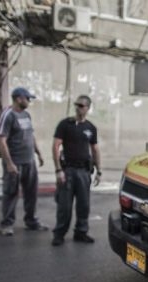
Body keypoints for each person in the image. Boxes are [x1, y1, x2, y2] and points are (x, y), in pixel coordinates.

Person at [0, 87, 48, 236]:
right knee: (11, 193)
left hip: (29, 161)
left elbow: (31, 136)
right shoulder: (8, 115)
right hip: (15, 162)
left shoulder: (26, 115)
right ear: (19, 99)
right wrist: (9, 163)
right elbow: (1, 140)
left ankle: (31, 221)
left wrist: (38, 153)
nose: (29, 101)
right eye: (27, 98)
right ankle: (6, 224)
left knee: (31, 193)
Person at [51, 95, 101, 246]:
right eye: (76, 105)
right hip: (68, 171)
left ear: (87, 108)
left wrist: (99, 171)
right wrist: (58, 170)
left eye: (81, 105)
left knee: (84, 205)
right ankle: (59, 234)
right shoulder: (65, 124)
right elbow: (55, 146)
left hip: (84, 172)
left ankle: (81, 232)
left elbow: (95, 149)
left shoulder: (91, 128)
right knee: (64, 206)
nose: (78, 108)